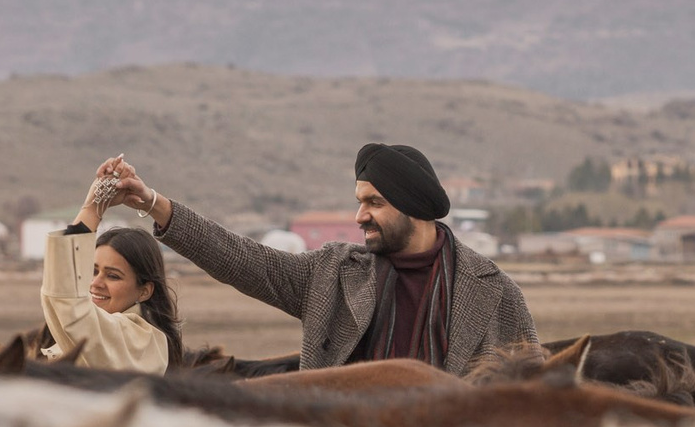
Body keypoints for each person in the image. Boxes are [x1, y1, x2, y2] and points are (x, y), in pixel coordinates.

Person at [106, 142, 535, 374]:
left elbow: (533, 397)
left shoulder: (494, 293)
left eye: (375, 203)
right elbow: (241, 259)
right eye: (359, 201)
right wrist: (152, 203)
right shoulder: (332, 273)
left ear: (413, 208)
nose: (359, 216)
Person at [39, 157, 184, 372]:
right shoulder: (104, 331)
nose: (96, 283)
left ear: (144, 291)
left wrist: (94, 207)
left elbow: (68, 302)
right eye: (93, 271)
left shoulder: (137, 339)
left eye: (113, 276)